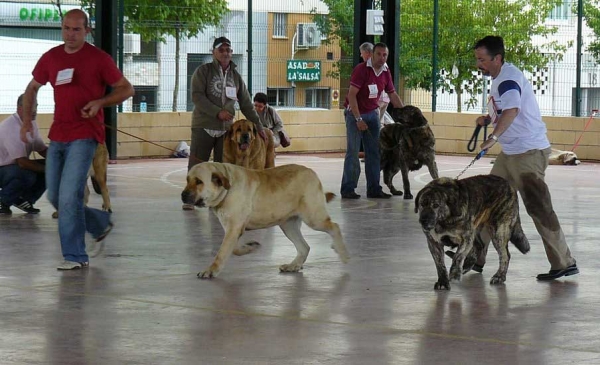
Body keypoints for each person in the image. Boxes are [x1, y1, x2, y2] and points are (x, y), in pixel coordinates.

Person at [20, 9, 135, 270]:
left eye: (76, 29)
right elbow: (32, 88)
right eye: (66, 28)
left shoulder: (99, 59)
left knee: (70, 196)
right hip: (58, 135)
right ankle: (98, 223)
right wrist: (27, 120)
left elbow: (127, 88)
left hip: (86, 135)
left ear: (87, 31)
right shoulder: (51, 57)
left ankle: (74, 255)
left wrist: (100, 102)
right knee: (55, 197)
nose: (70, 34)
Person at [473, 35, 578, 280]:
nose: (479, 64)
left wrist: (493, 138)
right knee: (488, 203)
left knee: (538, 207)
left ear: (497, 58)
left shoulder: (508, 78)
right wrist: (488, 119)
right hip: (510, 153)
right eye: (477, 59)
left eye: (482, 59)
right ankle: (473, 258)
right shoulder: (500, 77)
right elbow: (504, 109)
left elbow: (512, 109)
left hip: (528, 152)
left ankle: (564, 262)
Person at [185, 36, 266, 210]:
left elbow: (245, 103)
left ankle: (218, 199)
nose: (225, 53)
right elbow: (197, 96)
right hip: (203, 126)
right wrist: (217, 112)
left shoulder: (236, 77)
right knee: (198, 165)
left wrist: (259, 126)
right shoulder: (203, 71)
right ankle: (191, 198)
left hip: (226, 131)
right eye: (221, 50)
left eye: (228, 50)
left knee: (223, 169)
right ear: (213, 52)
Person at [341, 42, 405, 199]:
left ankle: (374, 188)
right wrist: (358, 119)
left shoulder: (385, 72)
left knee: (374, 152)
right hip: (354, 114)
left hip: (372, 114)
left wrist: (404, 114)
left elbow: (392, 94)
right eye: (379, 54)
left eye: (385, 55)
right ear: (372, 54)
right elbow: (351, 95)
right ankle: (348, 188)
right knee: (353, 152)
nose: (382, 58)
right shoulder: (361, 70)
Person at [0, 94, 47, 215]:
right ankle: (3, 201)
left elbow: (41, 148)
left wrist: (60, 159)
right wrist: (49, 169)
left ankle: (25, 200)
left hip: (13, 167)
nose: (34, 111)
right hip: (4, 168)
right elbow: (22, 162)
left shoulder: (31, 123)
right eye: (30, 107)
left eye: (36, 106)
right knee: (27, 174)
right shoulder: (10, 127)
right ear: (19, 108)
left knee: (50, 165)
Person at [359, 42, 391, 125]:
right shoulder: (384, 65)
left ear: (368, 53)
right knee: (379, 123)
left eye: (362, 53)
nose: (361, 56)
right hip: (385, 98)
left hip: (377, 99)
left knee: (376, 124)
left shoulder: (369, 66)